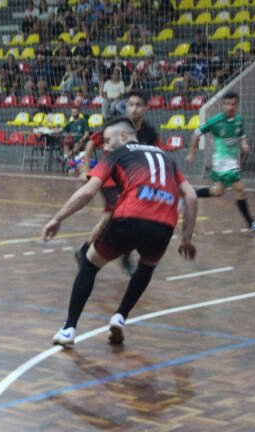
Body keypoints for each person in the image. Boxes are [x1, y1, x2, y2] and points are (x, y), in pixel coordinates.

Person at [43, 117, 197, 347]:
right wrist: (186, 237)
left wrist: (58, 218)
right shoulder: (168, 159)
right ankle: (120, 317)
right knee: (146, 266)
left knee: (89, 264)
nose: (104, 147)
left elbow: (88, 192)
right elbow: (191, 197)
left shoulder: (117, 154)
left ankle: (68, 330)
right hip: (163, 225)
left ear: (123, 137)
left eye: (106, 141)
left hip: (129, 218)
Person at [77, 89, 164, 274]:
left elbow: (157, 156)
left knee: (131, 217)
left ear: (146, 108)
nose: (134, 109)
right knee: (113, 216)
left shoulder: (150, 133)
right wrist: (85, 169)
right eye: (130, 105)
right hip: (109, 176)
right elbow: (91, 142)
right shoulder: (116, 126)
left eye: (138, 105)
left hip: (131, 182)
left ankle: (88, 251)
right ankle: (90, 252)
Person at [186, 91, 255, 232]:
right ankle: (251, 223)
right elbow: (196, 134)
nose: (230, 107)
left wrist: (244, 144)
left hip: (232, 162)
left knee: (217, 191)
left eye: (233, 104)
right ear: (222, 105)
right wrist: (192, 153)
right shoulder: (215, 121)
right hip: (221, 162)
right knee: (240, 188)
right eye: (227, 104)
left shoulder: (239, 120)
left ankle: (189, 194)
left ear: (237, 105)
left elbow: (241, 135)